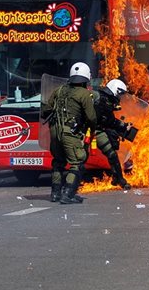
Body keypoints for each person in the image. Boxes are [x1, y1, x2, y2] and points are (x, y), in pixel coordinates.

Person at [41, 62, 98, 203]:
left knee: (58, 162)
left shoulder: (59, 90)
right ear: (86, 78)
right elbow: (91, 118)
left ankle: (55, 194)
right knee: (77, 163)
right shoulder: (84, 94)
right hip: (70, 133)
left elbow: (45, 111)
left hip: (55, 132)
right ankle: (68, 194)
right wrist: (91, 129)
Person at [91, 79, 137, 190]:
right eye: (120, 94)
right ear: (115, 90)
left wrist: (123, 126)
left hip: (98, 130)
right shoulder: (98, 97)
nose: (120, 97)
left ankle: (119, 179)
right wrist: (123, 126)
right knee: (78, 157)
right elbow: (109, 120)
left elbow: (109, 120)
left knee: (112, 154)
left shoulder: (108, 100)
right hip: (86, 129)